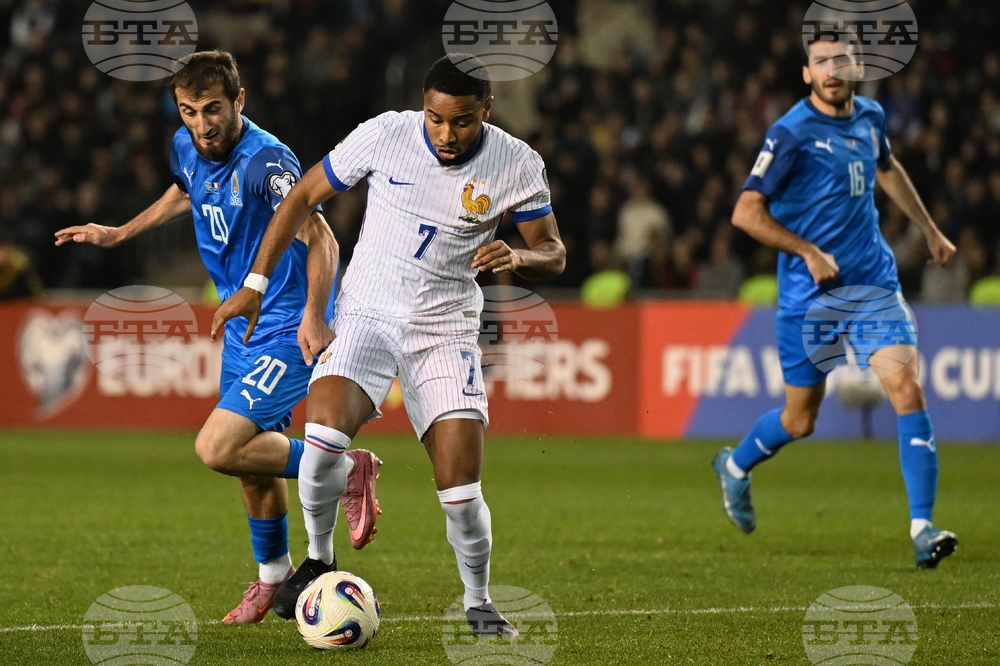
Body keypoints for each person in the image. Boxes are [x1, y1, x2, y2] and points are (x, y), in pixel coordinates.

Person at [213, 54, 566, 634]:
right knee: (322, 443)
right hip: (367, 314)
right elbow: (302, 198)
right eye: (435, 119)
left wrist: (521, 256)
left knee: (460, 491)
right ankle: (321, 560)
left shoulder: (517, 163)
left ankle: (478, 601)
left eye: (461, 122)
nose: (446, 135)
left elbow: (552, 249)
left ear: (487, 111)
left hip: (446, 327)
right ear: (421, 107)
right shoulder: (386, 134)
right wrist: (255, 283)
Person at [55, 50, 380, 622]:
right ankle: (273, 575)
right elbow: (184, 191)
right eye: (188, 112)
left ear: (239, 102)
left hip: (283, 325)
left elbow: (322, 237)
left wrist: (313, 315)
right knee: (250, 464)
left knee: (216, 447)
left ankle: (347, 468)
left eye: (212, 110)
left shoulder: (265, 161)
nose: (202, 125)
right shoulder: (187, 145)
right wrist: (120, 232)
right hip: (241, 328)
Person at [712, 39, 959, 569]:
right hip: (810, 297)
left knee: (907, 388)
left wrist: (931, 230)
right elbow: (745, 213)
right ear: (806, 73)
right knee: (801, 421)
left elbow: (887, 169)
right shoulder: (791, 134)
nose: (832, 71)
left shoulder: (871, 115)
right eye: (821, 62)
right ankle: (735, 467)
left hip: (872, 283)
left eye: (841, 62)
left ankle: (922, 527)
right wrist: (806, 250)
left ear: (858, 70)